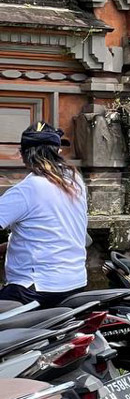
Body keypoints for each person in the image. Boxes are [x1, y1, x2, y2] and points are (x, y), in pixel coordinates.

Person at [0, 122, 88, 307]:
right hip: (75, 284)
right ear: (58, 152)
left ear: (23, 155)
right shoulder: (75, 181)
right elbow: (51, 232)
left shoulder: (27, 189)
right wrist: (9, 246)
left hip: (36, 288)